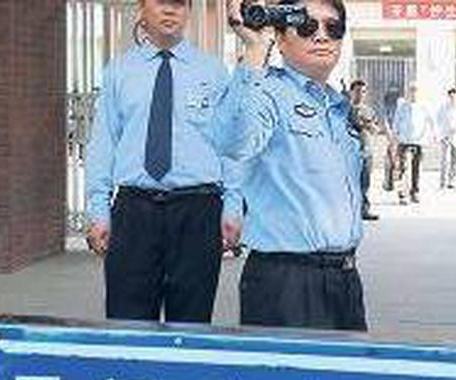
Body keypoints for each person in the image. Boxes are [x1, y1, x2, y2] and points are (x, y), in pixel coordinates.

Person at [84, 0, 238, 323]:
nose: (171, 11)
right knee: (128, 323)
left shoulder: (213, 72)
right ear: (141, 9)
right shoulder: (119, 71)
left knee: (192, 324)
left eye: (179, 4)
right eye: (161, 2)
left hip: (198, 211)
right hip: (134, 213)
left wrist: (233, 205)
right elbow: (103, 144)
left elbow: (230, 147)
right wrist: (98, 209)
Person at [217, 0, 367, 330]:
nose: (322, 36)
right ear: (282, 40)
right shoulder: (267, 92)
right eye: (307, 26)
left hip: (344, 279)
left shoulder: (339, 108)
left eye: (333, 27)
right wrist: (256, 50)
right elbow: (233, 141)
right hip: (285, 283)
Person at [391, 84, 436, 204]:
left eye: (416, 91)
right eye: (411, 91)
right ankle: (402, 193)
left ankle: (415, 192)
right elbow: (396, 121)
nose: (413, 93)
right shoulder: (402, 106)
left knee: (416, 168)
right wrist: (394, 137)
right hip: (404, 140)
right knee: (403, 168)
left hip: (418, 141)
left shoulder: (424, 106)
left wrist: (434, 135)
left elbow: (432, 121)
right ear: (408, 92)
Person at [347, 79, 380, 221]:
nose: (361, 94)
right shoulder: (343, 109)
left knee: (364, 183)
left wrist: (369, 125)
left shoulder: (369, 110)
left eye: (363, 91)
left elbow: (376, 129)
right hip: (347, 152)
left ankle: (364, 210)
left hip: (366, 149)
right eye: (358, 91)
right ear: (351, 92)